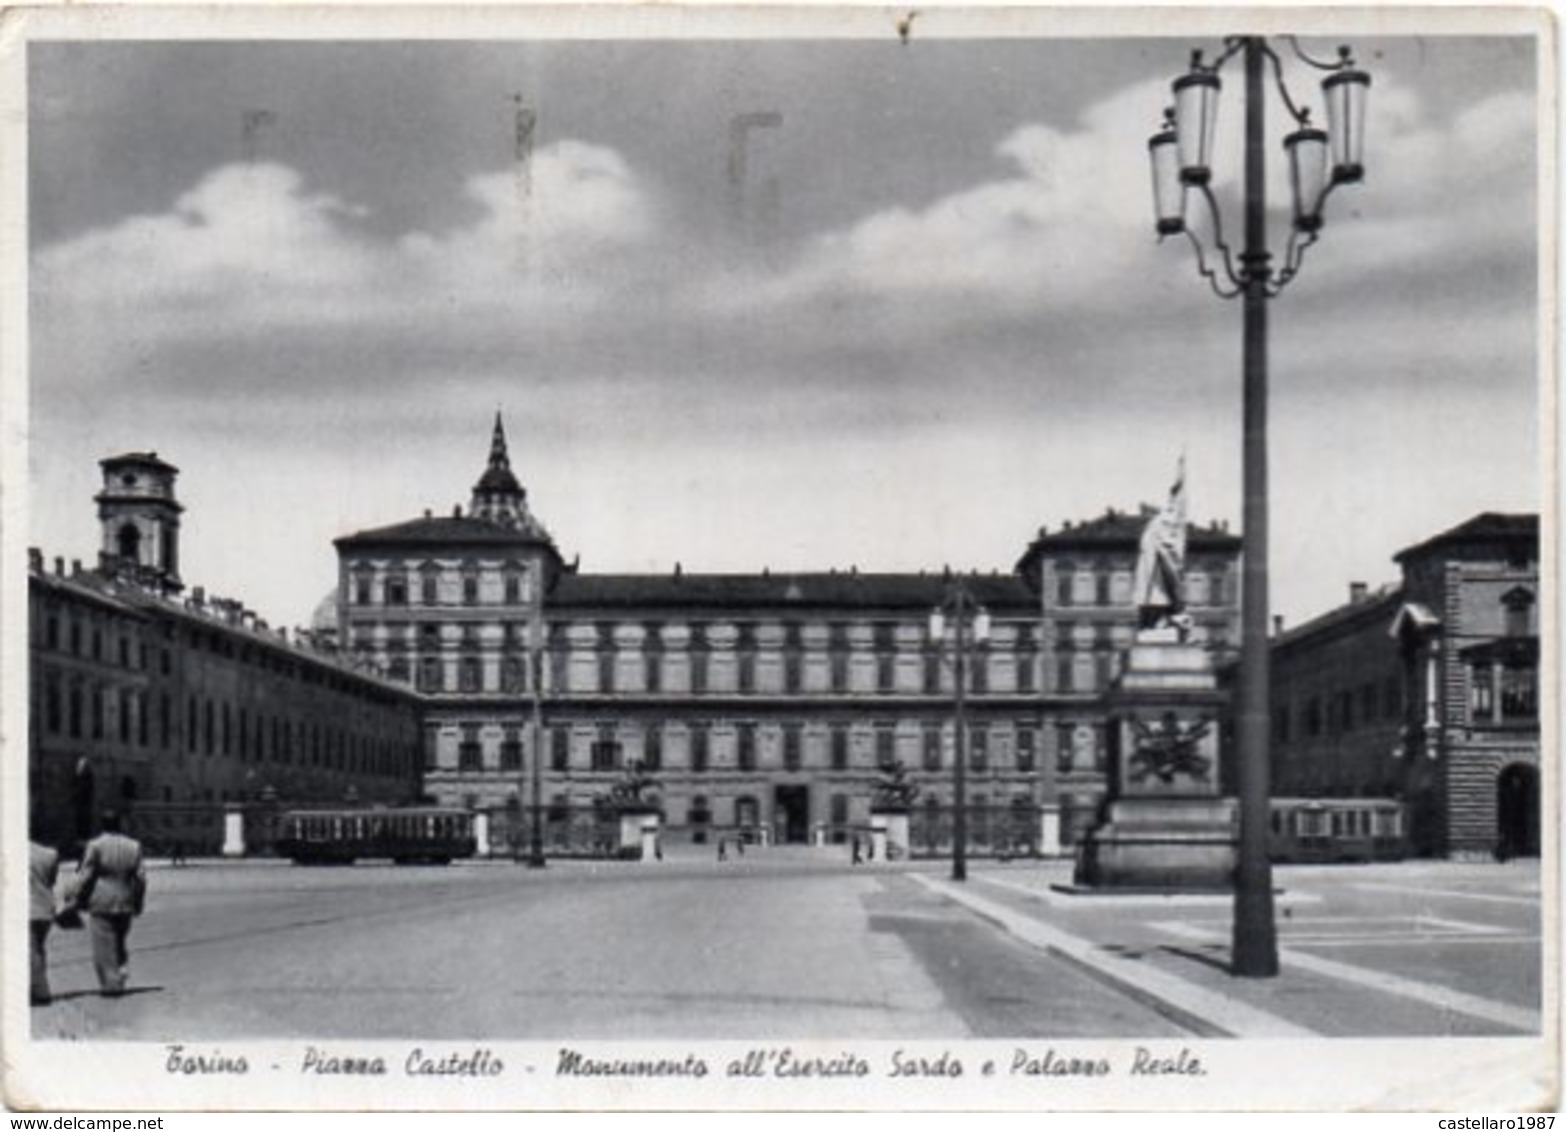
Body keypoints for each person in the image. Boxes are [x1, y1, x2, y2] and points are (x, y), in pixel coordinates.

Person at [71, 811, 146, 997]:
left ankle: (112, 984)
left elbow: (86, 875)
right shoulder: (134, 846)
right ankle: (120, 971)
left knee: (103, 945)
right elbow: (141, 878)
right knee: (119, 941)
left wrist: (75, 897)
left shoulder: (95, 845)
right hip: (125, 901)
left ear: (102, 825)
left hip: (101, 901)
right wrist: (138, 901)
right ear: (120, 824)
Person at [29, 827, 60, 1006]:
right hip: (45, 908)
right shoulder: (50, 854)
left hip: (26, 908)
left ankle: (41, 993)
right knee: (38, 948)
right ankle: (35, 988)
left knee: (31, 950)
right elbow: (52, 880)